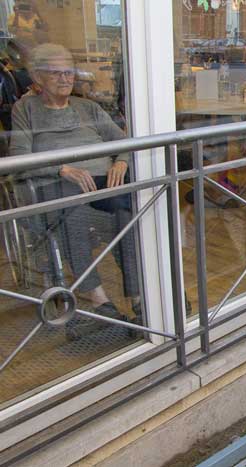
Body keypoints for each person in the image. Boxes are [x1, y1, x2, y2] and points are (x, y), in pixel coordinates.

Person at [9, 43, 141, 334]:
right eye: (56, 73)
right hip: (56, 184)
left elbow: (123, 142)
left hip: (102, 182)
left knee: (127, 213)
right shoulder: (25, 109)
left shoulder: (88, 107)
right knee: (75, 218)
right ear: (37, 77)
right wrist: (62, 169)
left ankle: (137, 296)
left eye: (69, 72)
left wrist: (120, 161)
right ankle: (99, 300)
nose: (65, 79)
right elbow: (19, 158)